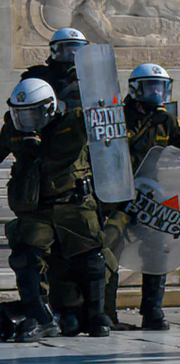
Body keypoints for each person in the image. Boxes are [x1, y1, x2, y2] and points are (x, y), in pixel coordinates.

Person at [100, 64, 180, 330]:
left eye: (162, 87)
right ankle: (106, 314)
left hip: (146, 199)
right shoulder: (117, 117)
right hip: (116, 199)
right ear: (135, 89)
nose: (157, 93)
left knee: (157, 249)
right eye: (151, 87)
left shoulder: (164, 120)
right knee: (109, 250)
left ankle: (152, 311)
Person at [0, 77, 110, 340]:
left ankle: (96, 316)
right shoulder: (14, 130)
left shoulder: (72, 123)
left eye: (33, 114)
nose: (27, 121)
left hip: (75, 203)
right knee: (26, 255)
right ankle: (40, 316)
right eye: (21, 115)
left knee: (91, 258)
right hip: (37, 207)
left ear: (49, 108)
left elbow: (107, 131)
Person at [22, 27, 87, 109]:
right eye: (67, 52)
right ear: (55, 51)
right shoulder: (40, 76)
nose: (73, 57)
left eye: (78, 52)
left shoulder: (89, 77)